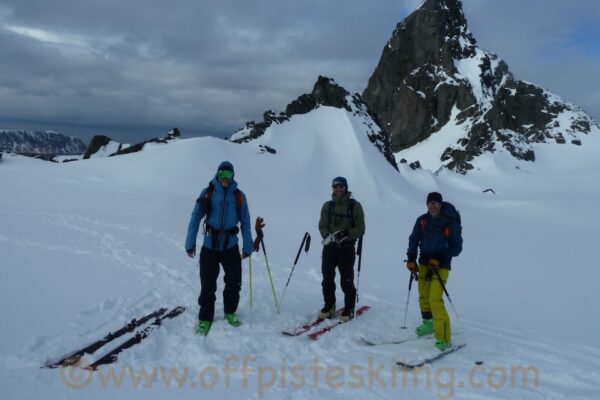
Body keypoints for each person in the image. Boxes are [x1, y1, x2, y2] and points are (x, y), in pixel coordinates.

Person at [185, 161, 253, 335]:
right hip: (209, 246)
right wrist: (190, 243)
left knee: (234, 282)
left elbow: (245, 221)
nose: (225, 178)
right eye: (222, 174)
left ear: (233, 177)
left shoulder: (239, 196)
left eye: (229, 175)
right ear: (217, 175)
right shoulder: (208, 193)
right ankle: (205, 318)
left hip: (230, 246)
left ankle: (230, 312)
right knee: (207, 283)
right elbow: (195, 217)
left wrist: (247, 245)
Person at [406, 192, 462, 351]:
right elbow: (414, 239)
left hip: (441, 266)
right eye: (430, 203)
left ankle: (444, 338)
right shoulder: (422, 220)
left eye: (435, 203)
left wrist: (440, 258)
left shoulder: (450, 223)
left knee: (435, 299)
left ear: (441, 204)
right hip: (424, 263)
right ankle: (429, 324)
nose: (432, 205)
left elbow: (457, 248)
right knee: (424, 296)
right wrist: (411, 258)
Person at [318, 177, 366, 322]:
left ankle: (349, 307)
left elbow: (361, 228)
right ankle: (329, 305)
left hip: (347, 248)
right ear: (332, 189)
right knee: (327, 279)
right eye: (335, 187)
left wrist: (347, 234)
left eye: (341, 186)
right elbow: (322, 224)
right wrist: (327, 235)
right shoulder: (328, 206)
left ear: (345, 188)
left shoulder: (355, 206)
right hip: (330, 248)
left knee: (346, 280)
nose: (338, 189)